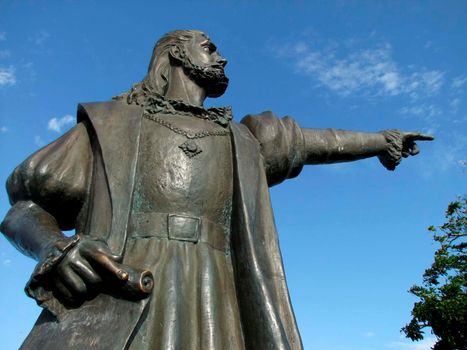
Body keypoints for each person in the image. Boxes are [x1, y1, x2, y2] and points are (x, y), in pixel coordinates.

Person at [1, 30, 433, 350]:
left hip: (218, 291)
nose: (223, 57)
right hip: (124, 285)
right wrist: (54, 248)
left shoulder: (241, 139)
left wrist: (383, 140)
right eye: (210, 47)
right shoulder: (110, 125)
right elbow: (26, 204)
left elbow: (307, 142)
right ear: (175, 52)